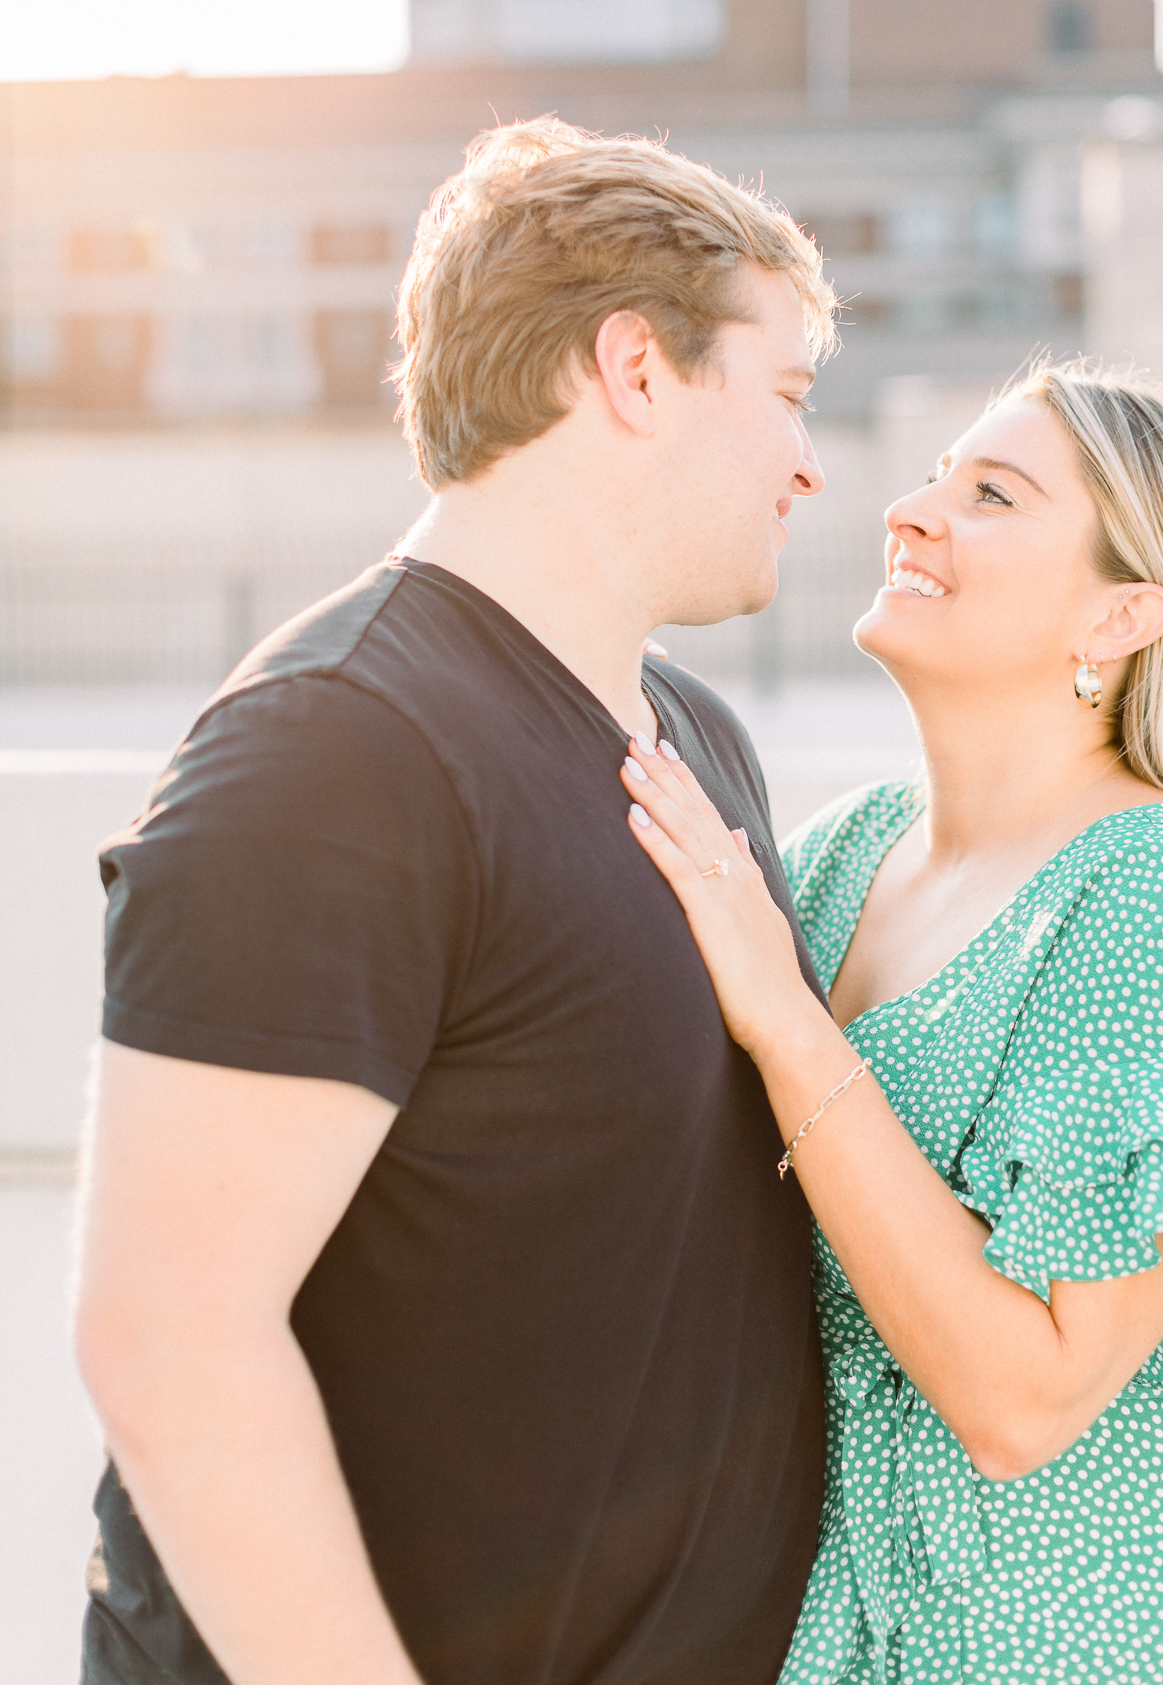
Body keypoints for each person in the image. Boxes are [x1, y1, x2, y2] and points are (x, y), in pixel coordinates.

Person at [74, 116, 840, 1685]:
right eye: (785, 394)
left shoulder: (698, 738)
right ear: (634, 371)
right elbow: (173, 1343)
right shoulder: (337, 751)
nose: (807, 460)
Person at [620, 361, 1163, 1684]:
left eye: (989, 494)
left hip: (1099, 1646)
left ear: (1122, 615)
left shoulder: (1158, 894)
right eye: (932, 478)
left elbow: (1023, 1399)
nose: (910, 512)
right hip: (855, 1635)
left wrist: (789, 1028)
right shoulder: (843, 858)